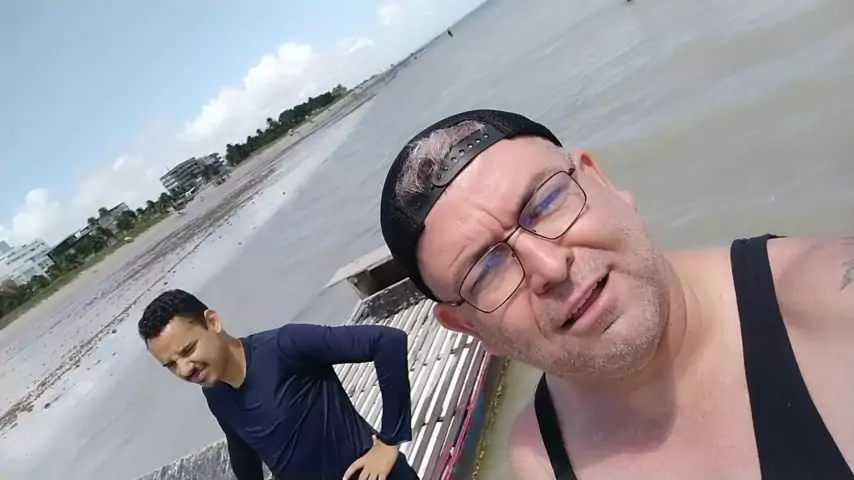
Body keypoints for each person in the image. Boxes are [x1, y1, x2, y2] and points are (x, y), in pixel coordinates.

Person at [378, 109, 854, 479]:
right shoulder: (542, 455)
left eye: (546, 203)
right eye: (486, 269)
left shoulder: (831, 305)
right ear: (470, 327)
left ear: (600, 180)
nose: (549, 267)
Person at [138, 289, 419, 480]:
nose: (184, 369)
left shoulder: (285, 346)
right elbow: (243, 451)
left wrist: (389, 441)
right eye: (171, 364)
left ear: (212, 322)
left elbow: (387, 342)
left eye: (188, 350)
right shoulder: (215, 394)